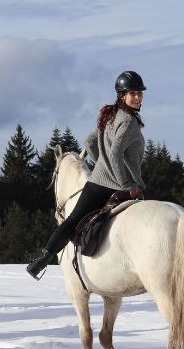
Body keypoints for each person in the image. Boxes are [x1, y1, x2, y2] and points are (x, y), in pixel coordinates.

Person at [26, 70, 147, 279]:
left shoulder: (111, 115)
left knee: (72, 221)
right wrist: (125, 184)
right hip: (122, 185)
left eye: (139, 93)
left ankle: (41, 261)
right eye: (132, 94)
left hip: (96, 183)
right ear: (122, 95)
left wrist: (103, 163)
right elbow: (117, 151)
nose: (137, 98)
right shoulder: (128, 121)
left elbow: (89, 141)